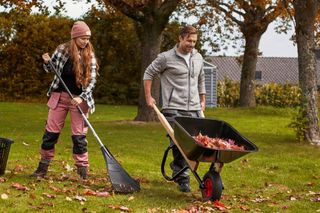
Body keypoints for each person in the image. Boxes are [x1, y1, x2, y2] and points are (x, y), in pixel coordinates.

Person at [31, 21, 98, 180]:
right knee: (50, 134)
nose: (85, 41)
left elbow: (92, 81)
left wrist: (80, 97)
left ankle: (82, 171)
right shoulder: (62, 50)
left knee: (79, 136)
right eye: (82, 38)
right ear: (74, 37)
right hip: (59, 97)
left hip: (80, 100)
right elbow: (50, 69)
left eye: (87, 38)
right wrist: (47, 62)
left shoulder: (90, 55)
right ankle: (42, 167)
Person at [143, 25, 206, 192]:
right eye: (189, 41)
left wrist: (202, 99)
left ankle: (202, 175)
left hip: (193, 107)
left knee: (200, 142)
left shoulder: (198, 57)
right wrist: (148, 97)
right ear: (180, 38)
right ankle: (182, 177)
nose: (192, 44)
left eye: (194, 41)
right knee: (179, 143)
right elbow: (148, 73)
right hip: (173, 107)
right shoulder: (165, 58)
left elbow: (201, 78)